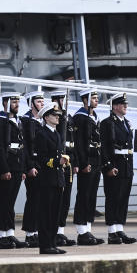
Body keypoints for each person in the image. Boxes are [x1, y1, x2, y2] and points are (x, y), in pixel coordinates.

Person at [100, 93, 136, 244]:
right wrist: (108, 166)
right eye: (122, 104)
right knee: (113, 198)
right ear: (114, 106)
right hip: (115, 164)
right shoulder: (107, 123)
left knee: (123, 198)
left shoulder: (126, 123)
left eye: (126, 104)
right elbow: (104, 147)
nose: (125, 106)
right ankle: (111, 231)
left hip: (126, 165)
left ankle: (120, 228)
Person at [0, 92, 27, 249]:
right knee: (3, 201)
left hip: (17, 167)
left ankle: (10, 233)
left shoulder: (17, 121)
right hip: (6, 168)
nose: (17, 105)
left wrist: (23, 168)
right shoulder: (0, 121)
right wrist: (4, 169)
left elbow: (21, 146)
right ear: (5, 103)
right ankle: (1, 235)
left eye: (17, 102)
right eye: (13, 102)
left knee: (10, 202)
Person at [72, 88, 104, 245]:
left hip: (95, 160)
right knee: (84, 195)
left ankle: (88, 229)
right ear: (85, 100)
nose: (97, 100)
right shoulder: (80, 117)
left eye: (97, 98)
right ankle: (81, 230)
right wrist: (83, 163)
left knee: (91, 196)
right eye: (94, 98)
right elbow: (79, 143)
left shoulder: (93, 116)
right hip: (88, 161)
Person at [34, 103, 67, 255]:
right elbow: (41, 158)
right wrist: (55, 162)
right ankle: (45, 245)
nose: (57, 117)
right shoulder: (42, 133)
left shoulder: (57, 133)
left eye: (58, 115)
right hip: (46, 179)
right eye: (54, 115)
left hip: (57, 178)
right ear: (46, 117)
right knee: (46, 213)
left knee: (55, 213)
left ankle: (52, 243)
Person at [49, 90, 76, 246]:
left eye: (63, 99)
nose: (62, 101)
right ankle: (53, 231)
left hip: (69, 161)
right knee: (56, 199)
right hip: (58, 162)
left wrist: (76, 162)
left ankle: (60, 231)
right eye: (59, 99)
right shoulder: (54, 120)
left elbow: (74, 141)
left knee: (65, 200)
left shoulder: (67, 117)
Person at [19, 91, 45, 248]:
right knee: (33, 199)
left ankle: (37, 231)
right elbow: (26, 147)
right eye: (39, 101)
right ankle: (30, 233)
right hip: (33, 165)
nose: (42, 103)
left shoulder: (41, 121)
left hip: (42, 165)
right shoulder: (26, 121)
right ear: (31, 103)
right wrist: (29, 166)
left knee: (41, 200)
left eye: (42, 101)